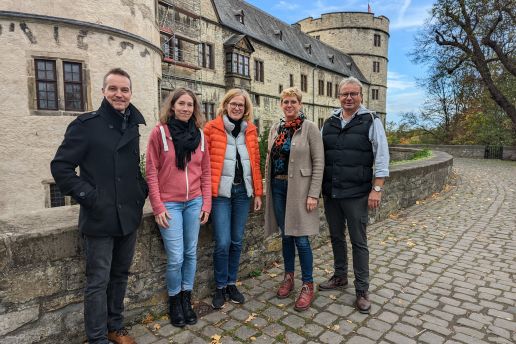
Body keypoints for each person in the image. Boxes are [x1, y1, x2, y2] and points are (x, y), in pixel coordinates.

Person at [51, 68, 147, 344]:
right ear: (103, 91)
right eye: (114, 89)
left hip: (128, 214)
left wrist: (141, 191)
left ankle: (115, 327)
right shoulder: (86, 125)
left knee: (120, 275)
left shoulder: (132, 124)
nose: (119, 94)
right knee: (97, 282)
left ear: (130, 93)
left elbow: (132, 169)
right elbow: (61, 167)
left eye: (124, 89)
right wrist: (91, 197)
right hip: (100, 216)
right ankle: (96, 338)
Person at [319, 76, 389, 314]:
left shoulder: (371, 121)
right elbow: (319, 157)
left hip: (358, 193)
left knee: (359, 242)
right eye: (344, 94)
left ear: (361, 96)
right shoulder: (329, 123)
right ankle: (340, 276)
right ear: (338, 97)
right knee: (336, 237)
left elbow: (381, 157)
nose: (348, 98)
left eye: (353, 94)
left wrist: (376, 188)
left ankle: (362, 290)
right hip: (332, 193)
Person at [145, 87, 211, 328]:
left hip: (194, 201)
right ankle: (174, 301)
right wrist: (158, 205)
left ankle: (186, 298)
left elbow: (205, 172)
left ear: (195, 109)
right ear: (172, 106)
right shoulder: (159, 134)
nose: (185, 108)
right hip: (170, 203)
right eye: (181, 104)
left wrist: (207, 202)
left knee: (190, 253)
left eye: (190, 105)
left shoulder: (200, 136)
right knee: (175, 257)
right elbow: (151, 171)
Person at [264, 87, 324, 311]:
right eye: (285, 102)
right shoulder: (275, 128)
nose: (289, 105)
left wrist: (313, 194)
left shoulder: (309, 128)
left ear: (300, 104)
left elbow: (319, 162)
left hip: (299, 189)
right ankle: (288, 277)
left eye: (293, 102)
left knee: (301, 238)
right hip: (278, 187)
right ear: (281, 104)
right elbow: (269, 159)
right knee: (286, 235)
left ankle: (307, 284)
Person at [204, 89, 263, 309]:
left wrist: (258, 192)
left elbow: (255, 163)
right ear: (226, 104)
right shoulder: (212, 128)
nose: (237, 107)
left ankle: (231, 283)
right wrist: (205, 196)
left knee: (237, 240)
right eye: (233, 103)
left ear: (246, 109)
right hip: (220, 195)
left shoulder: (251, 130)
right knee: (222, 242)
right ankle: (219, 286)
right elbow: (204, 163)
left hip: (242, 194)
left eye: (241, 105)